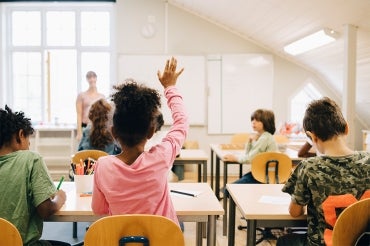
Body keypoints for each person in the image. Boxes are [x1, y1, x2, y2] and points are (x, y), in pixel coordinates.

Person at [91, 57, 188, 228]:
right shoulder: (161, 157)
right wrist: (170, 87)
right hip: (162, 241)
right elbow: (181, 123)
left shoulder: (102, 165)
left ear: (114, 132)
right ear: (151, 131)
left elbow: (99, 209)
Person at [277, 97, 370, 246]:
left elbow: (295, 212)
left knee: (284, 241)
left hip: (323, 243)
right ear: (346, 128)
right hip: (363, 241)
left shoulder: (309, 167)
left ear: (312, 136)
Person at [0, 105, 68, 246]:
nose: (29, 147)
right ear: (20, 135)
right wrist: (60, 197)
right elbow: (46, 210)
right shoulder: (30, 159)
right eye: (28, 142)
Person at [223, 109, 278, 184]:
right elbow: (248, 154)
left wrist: (235, 158)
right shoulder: (264, 136)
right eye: (252, 120)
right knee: (235, 184)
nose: (253, 122)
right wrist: (250, 142)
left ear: (266, 122)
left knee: (228, 189)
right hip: (263, 173)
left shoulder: (264, 139)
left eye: (257, 120)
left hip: (263, 175)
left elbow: (249, 158)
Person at [76, 71, 105, 141]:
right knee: (85, 149)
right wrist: (79, 132)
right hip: (85, 126)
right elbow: (79, 114)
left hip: (98, 127)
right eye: (89, 77)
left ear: (96, 79)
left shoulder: (102, 96)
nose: (92, 79)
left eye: (93, 77)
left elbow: (104, 115)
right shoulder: (81, 96)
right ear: (87, 79)